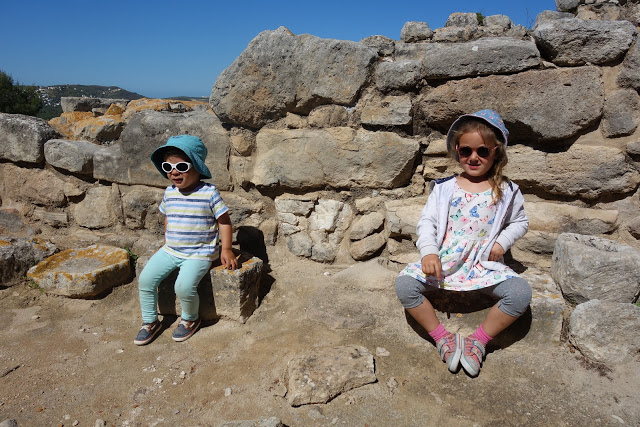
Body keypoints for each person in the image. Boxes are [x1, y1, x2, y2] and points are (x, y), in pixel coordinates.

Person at [395, 109, 531, 377]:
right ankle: (442, 337)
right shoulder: (444, 188)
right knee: (405, 285)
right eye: (466, 150)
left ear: (496, 152)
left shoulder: (507, 190)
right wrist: (429, 252)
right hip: (446, 264)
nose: (473, 157)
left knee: (520, 294)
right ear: (457, 150)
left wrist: (502, 243)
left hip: (482, 265)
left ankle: (477, 341)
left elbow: (520, 222)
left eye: (483, 151)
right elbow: (427, 223)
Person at [134, 135, 238, 346]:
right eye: (168, 167)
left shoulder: (208, 193)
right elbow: (168, 218)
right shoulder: (169, 192)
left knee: (183, 287)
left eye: (181, 166)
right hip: (171, 250)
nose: (174, 172)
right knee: (145, 279)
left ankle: (190, 319)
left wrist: (226, 249)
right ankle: (150, 321)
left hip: (198, 254)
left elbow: (224, 222)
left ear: (197, 168)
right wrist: (167, 240)